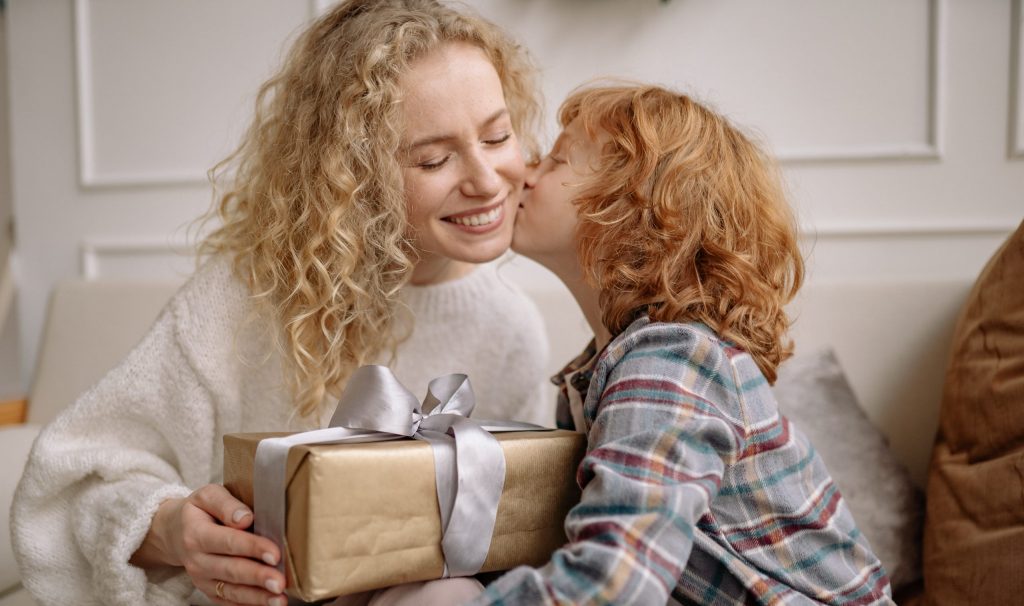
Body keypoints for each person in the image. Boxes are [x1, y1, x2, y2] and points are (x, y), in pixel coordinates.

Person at [11, 2, 551, 605]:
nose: (486, 177)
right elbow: (70, 481)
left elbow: (517, 542)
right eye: (433, 158)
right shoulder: (248, 300)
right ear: (355, 173)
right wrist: (168, 528)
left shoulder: (511, 329)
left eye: (498, 134)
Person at [466, 84, 894, 605]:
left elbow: (612, 586)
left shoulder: (670, 363)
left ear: (634, 207)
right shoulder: (596, 375)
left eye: (558, 158)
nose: (527, 173)